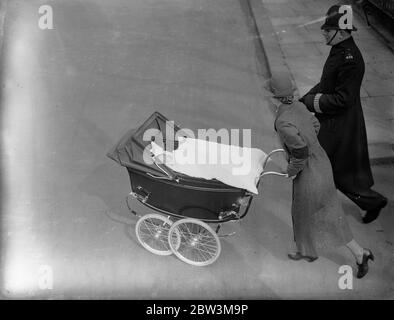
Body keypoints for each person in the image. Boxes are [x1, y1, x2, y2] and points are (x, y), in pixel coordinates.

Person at [267, 71, 373, 279]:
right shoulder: (298, 106)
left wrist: (290, 172)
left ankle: (361, 254)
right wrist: (309, 141)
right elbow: (315, 125)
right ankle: (307, 251)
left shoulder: (282, 122)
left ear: (274, 96)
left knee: (327, 216)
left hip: (309, 172)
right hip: (321, 163)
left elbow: (300, 154)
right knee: (303, 211)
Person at [299, 4, 387, 224]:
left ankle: (371, 202)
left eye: (328, 30)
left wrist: (311, 101)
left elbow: (342, 99)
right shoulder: (339, 50)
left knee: (331, 168)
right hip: (332, 120)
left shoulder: (351, 60)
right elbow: (326, 82)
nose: (324, 33)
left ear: (342, 32)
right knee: (326, 166)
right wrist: (305, 99)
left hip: (340, 124)